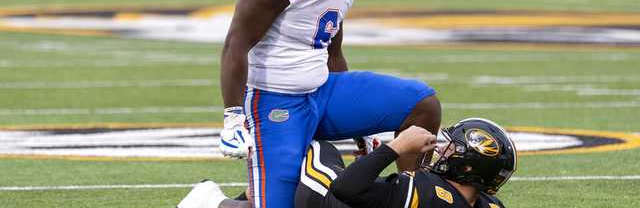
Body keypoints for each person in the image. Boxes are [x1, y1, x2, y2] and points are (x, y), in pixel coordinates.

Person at [216, 0, 441, 208]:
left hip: (323, 91)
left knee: (422, 105)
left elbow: (333, 51)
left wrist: (360, 130)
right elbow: (236, 42)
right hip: (275, 101)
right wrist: (233, 117)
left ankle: (413, 197)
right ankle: (210, 202)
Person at [178, 118, 517, 208]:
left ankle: (207, 201)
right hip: (355, 199)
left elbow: (348, 188)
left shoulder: (426, 191)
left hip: (329, 201)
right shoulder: (486, 202)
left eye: (453, 149)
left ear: (469, 166)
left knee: (311, 143)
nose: (444, 151)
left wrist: (394, 148)